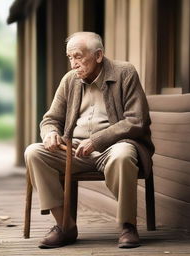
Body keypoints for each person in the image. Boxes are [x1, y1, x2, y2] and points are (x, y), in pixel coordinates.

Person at [24, 31, 154, 249]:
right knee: (34, 152)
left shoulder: (125, 73)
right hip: (74, 150)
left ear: (99, 55)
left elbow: (137, 120)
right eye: (70, 58)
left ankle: (127, 225)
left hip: (114, 147)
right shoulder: (69, 80)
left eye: (78, 57)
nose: (73, 64)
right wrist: (50, 134)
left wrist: (97, 140)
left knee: (123, 155)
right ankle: (65, 225)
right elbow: (50, 118)